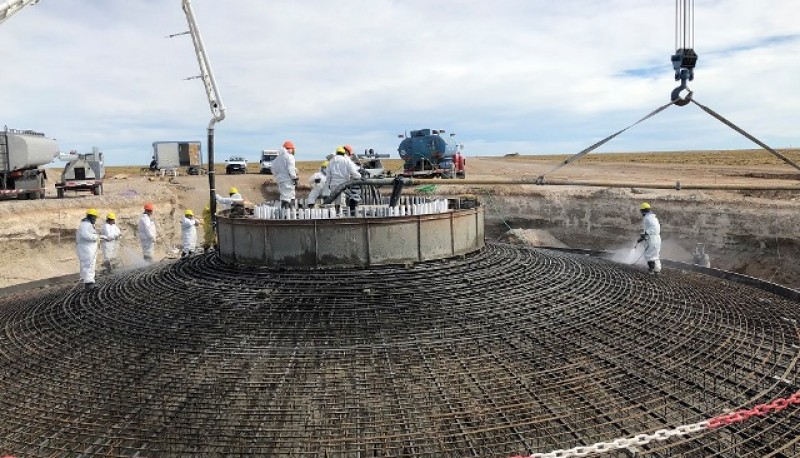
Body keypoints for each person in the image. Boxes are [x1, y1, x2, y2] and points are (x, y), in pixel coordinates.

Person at [327, 146, 362, 213]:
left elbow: (328, 175)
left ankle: (336, 214)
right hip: (342, 183)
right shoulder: (345, 160)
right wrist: (359, 176)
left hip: (334, 184)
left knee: (336, 202)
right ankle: (340, 216)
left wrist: (328, 184)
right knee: (341, 202)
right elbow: (354, 172)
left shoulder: (332, 161)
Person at [77, 208, 104, 291]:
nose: (95, 219)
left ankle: (89, 282)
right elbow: (85, 235)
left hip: (88, 248)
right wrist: (95, 237)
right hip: (86, 249)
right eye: (95, 218)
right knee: (88, 264)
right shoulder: (85, 225)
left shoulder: (87, 224)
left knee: (89, 264)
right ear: (91, 217)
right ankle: (89, 283)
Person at [637, 202, 662, 275]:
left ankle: (651, 270)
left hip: (652, 239)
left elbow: (655, 228)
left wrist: (645, 233)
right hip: (656, 239)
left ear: (643, 211)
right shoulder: (653, 218)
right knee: (655, 255)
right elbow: (653, 229)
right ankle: (657, 270)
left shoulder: (648, 218)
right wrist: (643, 237)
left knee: (649, 255)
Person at [271, 140, 297, 208]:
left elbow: (273, 169)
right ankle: (287, 214)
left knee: (286, 196)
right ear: (289, 149)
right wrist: (294, 177)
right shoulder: (289, 156)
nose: (293, 151)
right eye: (292, 149)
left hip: (280, 180)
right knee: (287, 198)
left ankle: (287, 213)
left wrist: (278, 176)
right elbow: (291, 168)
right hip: (288, 180)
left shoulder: (277, 158)